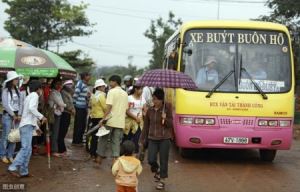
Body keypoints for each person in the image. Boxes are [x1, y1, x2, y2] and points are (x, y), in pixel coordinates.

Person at [8, 80, 47, 178]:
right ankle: (13, 167)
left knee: (28, 149)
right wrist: (42, 117)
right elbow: (31, 109)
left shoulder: (29, 96)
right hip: (26, 126)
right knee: (26, 148)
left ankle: (24, 171)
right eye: (41, 88)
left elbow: (30, 113)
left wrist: (37, 127)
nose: (41, 90)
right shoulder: (34, 95)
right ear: (38, 88)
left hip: (27, 125)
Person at [139, 88, 173, 190]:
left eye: (156, 99)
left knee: (163, 160)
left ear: (161, 99)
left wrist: (165, 118)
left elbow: (170, 124)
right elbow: (146, 126)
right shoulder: (150, 110)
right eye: (153, 99)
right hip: (152, 138)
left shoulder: (167, 109)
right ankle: (157, 170)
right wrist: (142, 139)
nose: (154, 101)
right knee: (151, 159)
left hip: (164, 138)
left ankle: (162, 180)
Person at [96, 75, 128, 165]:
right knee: (116, 142)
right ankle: (115, 162)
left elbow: (109, 107)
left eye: (111, 82)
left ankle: (98, 159)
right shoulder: (125, 93)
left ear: (115, 82)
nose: (109, 84)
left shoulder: (111, 92)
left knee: (103, 139)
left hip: (110, 120)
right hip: (120, 121)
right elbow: (126, 108)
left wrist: (103, 119)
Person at [0, 71, 23, 164]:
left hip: (17, 116)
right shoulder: (5, 91)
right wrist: (13, 115)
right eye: (16, 79)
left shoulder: (18, 91)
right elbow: (5, 104)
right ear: (11, 80)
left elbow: (21, 103)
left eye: (17, 79)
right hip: (8, 116)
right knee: (6, 136)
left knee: (15, 136)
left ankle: (10, 155)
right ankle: (2, 155)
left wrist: (20, 114)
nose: (17, 80)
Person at [88, 79, 107, 160]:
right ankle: (98, 154)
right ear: (99, 87)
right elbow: (105, 107)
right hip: (100, 118)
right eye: (103, 86)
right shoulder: (102, 95)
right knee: (101, 136)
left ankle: (92, 152)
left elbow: (90, 105)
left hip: (93, 117)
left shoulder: (93, 95)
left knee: (94, 136)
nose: (104, 87)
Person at [124, 85, 146, 153]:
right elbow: (127, 111)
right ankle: (126, 154)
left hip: (139, 123)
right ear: (136, 89)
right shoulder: (129, 98)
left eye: (142, 89)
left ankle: (135, 156)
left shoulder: (143, 99)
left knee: (137, 140)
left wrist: (144, 114)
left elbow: (144, 110)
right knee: (127, 139)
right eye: (140, 89)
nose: (142, 91)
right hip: (129, 124)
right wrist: (135, 117)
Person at [48, 78, 66, 157]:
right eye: (57, 84)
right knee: (55, 132)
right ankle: (54, 150)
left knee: (55, 132)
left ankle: (53, 149)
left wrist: (62, 105)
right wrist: (64, 105)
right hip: (54, 114)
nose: (59, 85)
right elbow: (61, 103)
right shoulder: (53, 92)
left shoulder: (57, 92)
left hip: (57, 113)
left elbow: (61, 104)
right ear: (54, 84)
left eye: (60, 84)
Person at [72, 72, 91, 146]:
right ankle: (76, 141)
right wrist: (74, 106)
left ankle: (79, 140)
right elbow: (75, 95)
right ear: (85, 76)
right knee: (78, 125)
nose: (90, 77)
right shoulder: (80, 84)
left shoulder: (85, 84)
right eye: (89, 75)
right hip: (79, 107)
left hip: (83, 107)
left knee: (82, 125)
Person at [58, 80, 75, 156]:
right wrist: (72, 109)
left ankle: (62, 148)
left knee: (64, 131)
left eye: (71, 85)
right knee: (62, 131)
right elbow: (66, 104)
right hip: (64, 113)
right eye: (69, 85)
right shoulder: (63, 93)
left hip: (68, 113)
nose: (70, 86)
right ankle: (61, 149)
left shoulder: (68, 93)